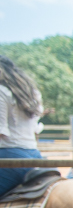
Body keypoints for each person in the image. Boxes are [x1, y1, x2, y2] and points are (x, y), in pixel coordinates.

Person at [0, 55, 45, 197]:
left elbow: (1, 132)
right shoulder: (33, 92)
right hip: (35, 155)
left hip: (9, 157)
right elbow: (35, 127)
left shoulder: (1, 92)